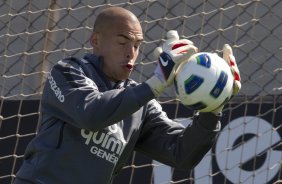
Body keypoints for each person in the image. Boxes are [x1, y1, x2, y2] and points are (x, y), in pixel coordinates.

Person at [14, 6, 241, 184]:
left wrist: (213, 108)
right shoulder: (68, 71)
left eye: (136, 45)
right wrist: (155, 83)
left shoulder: (141, 103)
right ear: (96, 41)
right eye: (123, 42)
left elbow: (181, 153)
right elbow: (90, 113)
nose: (131, 53)